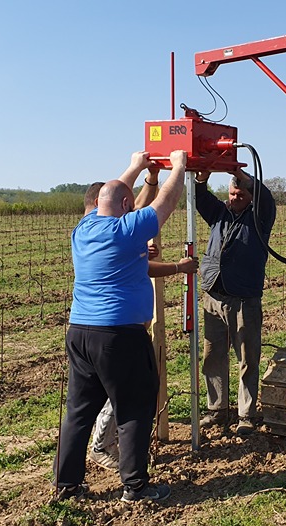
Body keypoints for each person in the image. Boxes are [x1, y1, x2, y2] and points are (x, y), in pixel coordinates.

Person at [53, 149, 187, 503]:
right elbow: (167, 201)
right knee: (134, 409)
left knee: (78, 413)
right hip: (119, 337)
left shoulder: (83, 229)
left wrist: (135, 166)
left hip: (81, 333)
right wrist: (179, 166)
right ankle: (136, 486)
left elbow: (112, 195)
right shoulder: (127, 229)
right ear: (128, 204)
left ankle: (67, 484)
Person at [80, 173, 198, 472]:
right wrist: (177, 167)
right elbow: (153, 208)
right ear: (102, 204)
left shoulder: (90, 230)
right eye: (126, 206)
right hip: (116, 334)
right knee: (126, 398)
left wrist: (147, 177)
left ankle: (75, 471)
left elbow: (131, 213)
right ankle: (112, 455)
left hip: (93, 331)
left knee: (90, 403)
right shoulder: (109, 229)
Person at [195, 168, 276, 436]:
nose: (235, 198)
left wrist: (242, 174)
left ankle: (246, 415)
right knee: (212, 356)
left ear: (251, 197)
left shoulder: (260, 217)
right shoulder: (220, 212)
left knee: (247, 358)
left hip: (244, 298)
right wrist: (201, 180)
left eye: (241, 194)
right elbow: (200, 198)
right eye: (231, 193)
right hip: (213, 295)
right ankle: (216, 409)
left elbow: (267, 199)